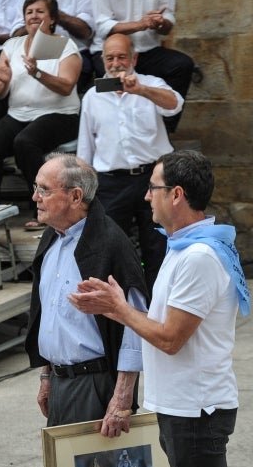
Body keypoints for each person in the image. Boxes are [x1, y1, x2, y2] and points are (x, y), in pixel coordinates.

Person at [70, 149, 250, 467]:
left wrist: (118, 307)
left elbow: (170, 338)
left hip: (196, 411)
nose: (146, 196)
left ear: (177, 195)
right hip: (179, 407)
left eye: (153, 187)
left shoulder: (198, 258)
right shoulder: (181, 248)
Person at [25, 152, 148, 467]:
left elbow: (134, 324)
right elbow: (47, 315)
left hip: (96, 385)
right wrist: (45, 375)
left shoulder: (108, 242)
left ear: (75, 196)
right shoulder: (53, 238)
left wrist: (122, 397)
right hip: (62, 384)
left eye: (44, 189)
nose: (34, 196)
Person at [77, 33, 183, 291]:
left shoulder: (151, 83)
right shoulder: (93, 96)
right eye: (110, 58)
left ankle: (159, 305)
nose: (116, 63)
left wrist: (141, 90)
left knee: (158, 245)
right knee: (113, 247)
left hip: (153, 180)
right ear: (102, 61)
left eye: (122, 56)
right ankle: (124, 306)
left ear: (134, 58)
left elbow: (175, 105)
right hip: (112, 182)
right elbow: (85, 149)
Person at [0, 0, 81, 222]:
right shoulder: (11, 45)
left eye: (40, 11)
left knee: (25, 142)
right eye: (29, 12)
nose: (34, 16)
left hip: (59, 114)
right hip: (18, 114)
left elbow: (67, 86)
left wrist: (37, 73)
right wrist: (5, 80)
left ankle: (41, 208)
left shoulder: (64, 45)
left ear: (52, 18)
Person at [91, 0, 193, 132]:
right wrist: (141, 24)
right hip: (111, 52)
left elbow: (168, 23)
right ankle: (114, 131)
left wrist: (160, 22)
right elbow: (103, 26)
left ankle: (165, 129)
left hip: (148, 48)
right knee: (111, 77)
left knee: (182, 65)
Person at [38, 0, 95, 92]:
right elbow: (17, 32)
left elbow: (85, 32)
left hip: (74, 54)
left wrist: (53, 12)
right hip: (38, 55)